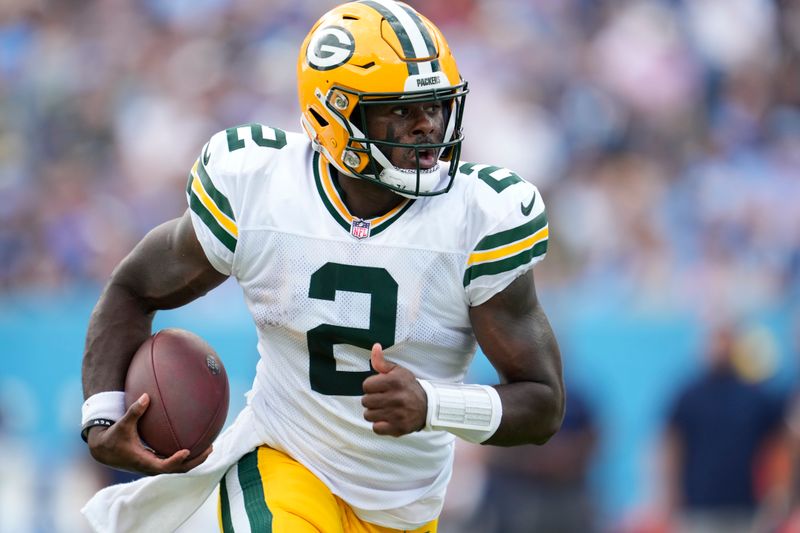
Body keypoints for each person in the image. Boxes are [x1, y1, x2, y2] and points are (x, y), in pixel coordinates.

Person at [79, 1, 564, 531]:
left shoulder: (478, 218)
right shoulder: (261, 189)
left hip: (405, 508)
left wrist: (432, 404)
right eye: (401, 110)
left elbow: (542, 403)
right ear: (334, 114)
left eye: (435, 105)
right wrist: (102, 411)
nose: (428, 126)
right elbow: (134, 288)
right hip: (286, 462)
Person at [661, 323, 785, 533]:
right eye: (715, 339)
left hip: (746, 508)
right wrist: (669, 495)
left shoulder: (755, 395)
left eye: (726, 338)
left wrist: (777, 495)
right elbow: (672, 445)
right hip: (699, 508)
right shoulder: (688, 395)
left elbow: (778, 446)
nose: (720, 346)